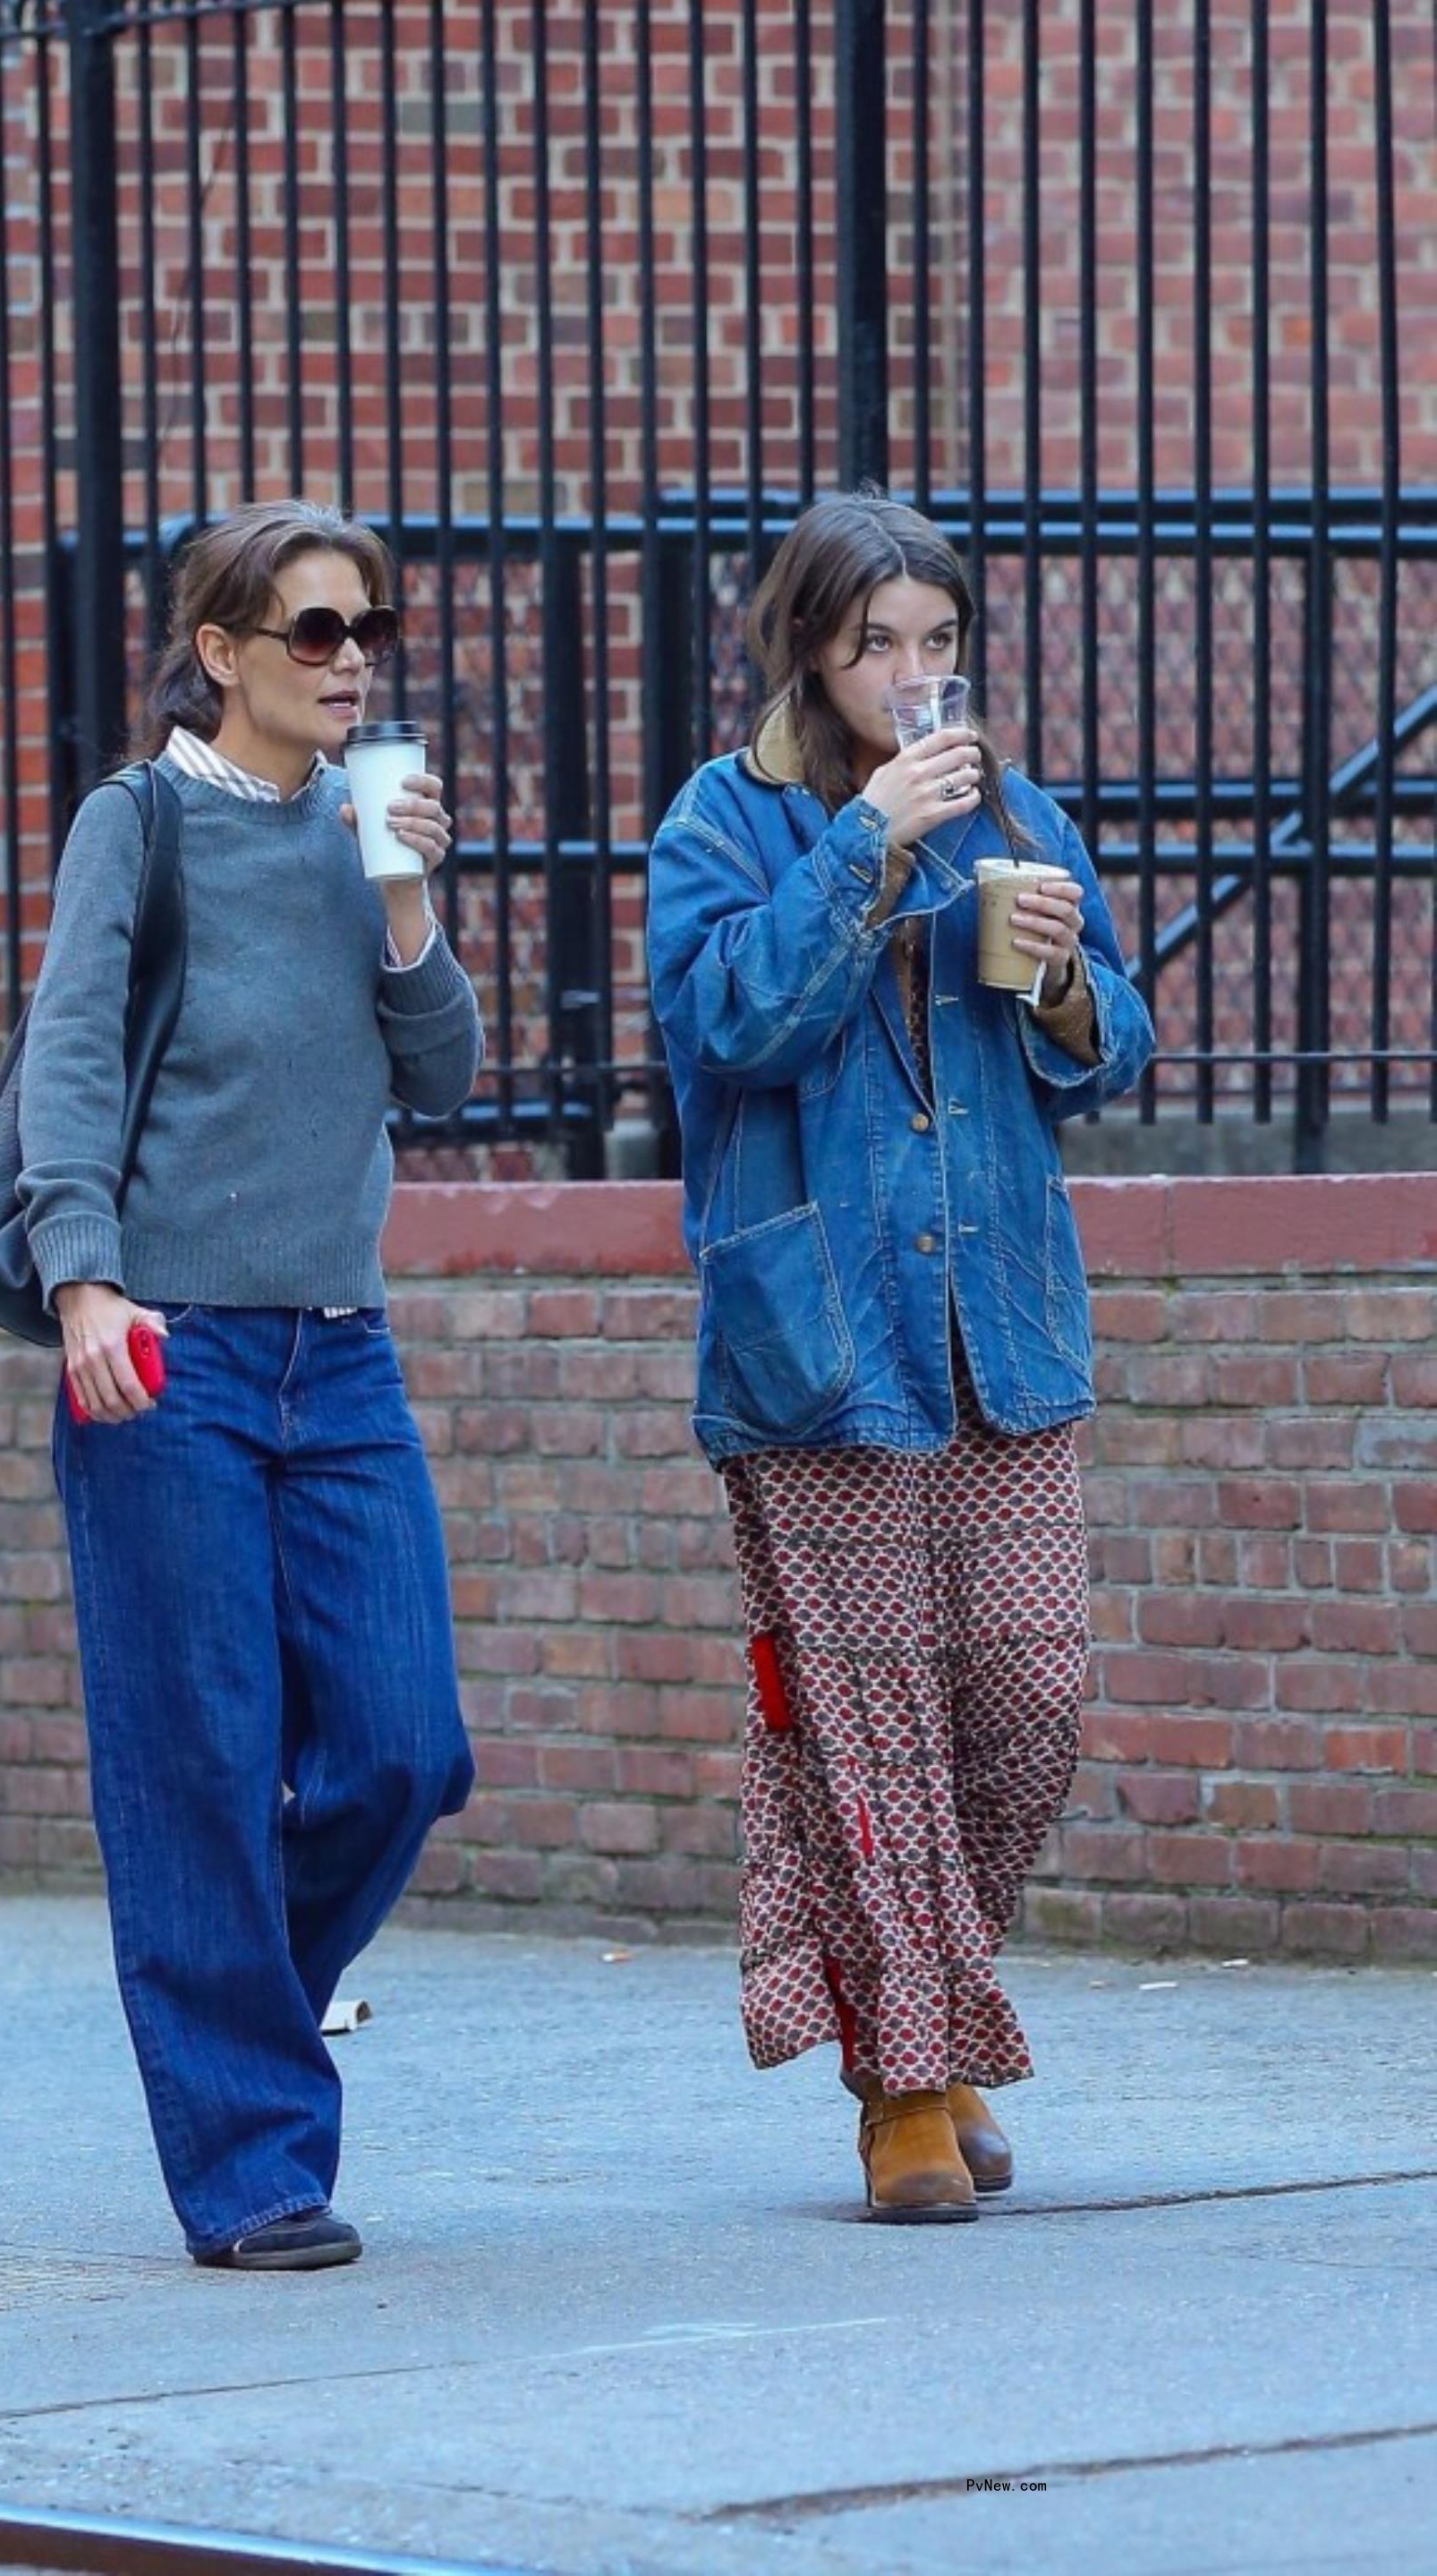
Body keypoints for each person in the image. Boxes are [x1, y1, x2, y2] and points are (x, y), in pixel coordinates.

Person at [646, 490, 1155, 2223]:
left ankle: (922, 2012)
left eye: (941, 642)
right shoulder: (730, 820)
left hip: (998, 1328)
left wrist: (1069, 984)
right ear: (812, 645)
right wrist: (865, 845)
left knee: (1031, 1687)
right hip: (824, 1338)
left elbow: (1114, 1047)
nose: (918, 676)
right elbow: (732, 1025)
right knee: (870, 1726)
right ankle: (904, 2083)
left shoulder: (1007, 810)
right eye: (883, 644)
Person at [18, 499, 481, 2270]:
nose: (350, 656)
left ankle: (231, 2007)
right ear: (222, 654)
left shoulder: (359, 831)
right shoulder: (137, 824)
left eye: (367, 628)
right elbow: (71, 1061)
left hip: (338, 1351)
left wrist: (404, 896)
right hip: (164, 1349)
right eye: (313, 630)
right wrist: (83, 1278)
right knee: (198, 1759)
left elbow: (440, 1065)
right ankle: (253, 2161)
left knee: (401, 1743)